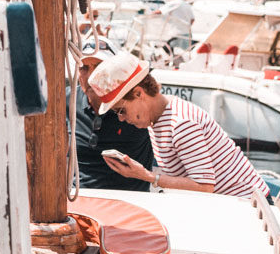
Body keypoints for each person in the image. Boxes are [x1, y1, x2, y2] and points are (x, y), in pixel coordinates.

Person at [89, 51, 269, 198]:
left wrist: (146, 176)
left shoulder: (181, 124)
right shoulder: (159, 119)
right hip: (233, 205)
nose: (121, 119)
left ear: (138, 93)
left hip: (248, 209)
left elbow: (205, 186)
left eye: (121, 110)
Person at [73, 51, 154, 191]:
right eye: (84, 68)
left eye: (99, 67)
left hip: (131, 202)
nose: (91, 75)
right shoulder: (64, 102)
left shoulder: (141, 108)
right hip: (79, 200)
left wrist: (152, 177)